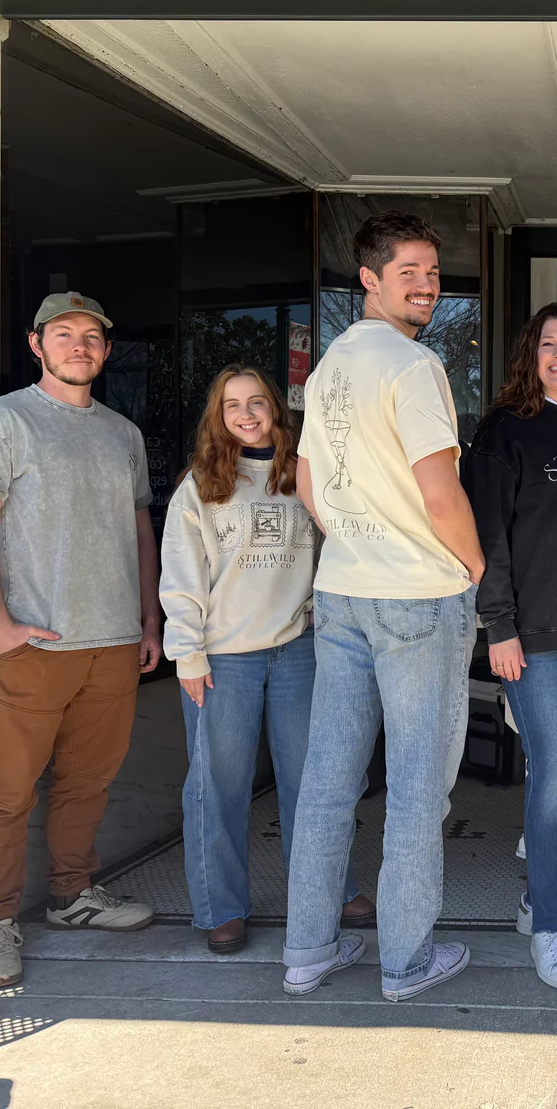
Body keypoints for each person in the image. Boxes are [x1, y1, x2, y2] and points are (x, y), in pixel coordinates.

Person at [282, 210, 484, 1003]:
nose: (427, 286)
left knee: (328, 784)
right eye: (410, 273)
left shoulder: (331, 363)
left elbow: (306, 483)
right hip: (414, 595)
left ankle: (307, 952)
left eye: (433, 273)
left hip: (343, 589)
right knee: (415, 787)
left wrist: (358, 537)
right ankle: (404, 963)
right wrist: (471, 569)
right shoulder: (411, 365)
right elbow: (441, 493)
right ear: (368, 279)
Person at [0, 291, 160, 991]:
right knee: (5, 791)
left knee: (86, 784)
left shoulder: (122, 433)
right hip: (33, 647)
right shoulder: (2, 423)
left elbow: (138, 533)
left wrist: (148, 621)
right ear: (35, 343)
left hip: (112, 642)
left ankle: (73, 896)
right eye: (63, 334)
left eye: (92, 336)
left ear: (106, 348)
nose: (79, 346)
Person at [160, 365, 373, 955]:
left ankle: (329, 888)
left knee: (315, 782)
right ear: (218, 418)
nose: (247, 414)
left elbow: (340, 549)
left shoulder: (303, 474)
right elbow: (180, 575)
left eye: (257, 402)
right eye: (232, 406)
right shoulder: (201, 484)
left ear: (276, 408)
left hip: (297, 651)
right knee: (216, 786)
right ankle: (220, 906)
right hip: (222, 657)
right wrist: (187, 653)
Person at [463, 304, 557, 991]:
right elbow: (487, 534)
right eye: (549, 344)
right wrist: (497, 624)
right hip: (532, 634)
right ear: (531, 354)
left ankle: (540, 904)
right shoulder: (505, 430)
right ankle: (552, 928)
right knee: (554, 774)